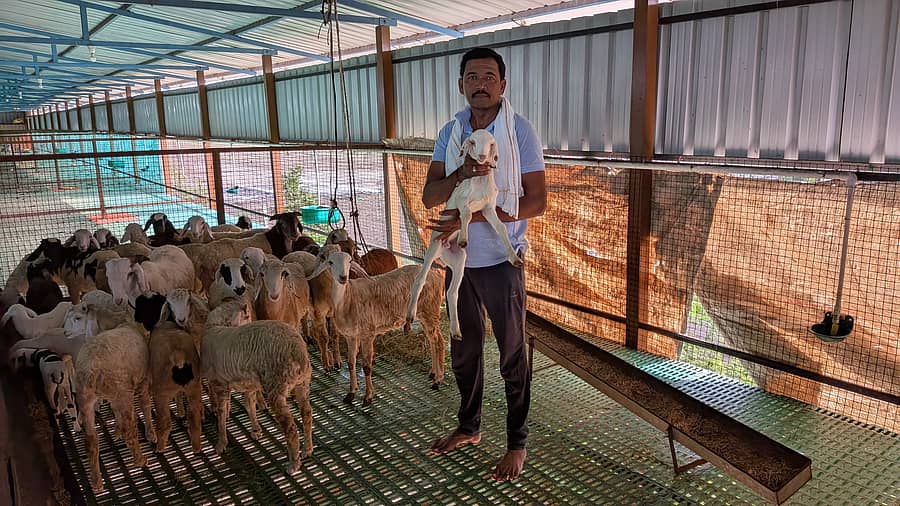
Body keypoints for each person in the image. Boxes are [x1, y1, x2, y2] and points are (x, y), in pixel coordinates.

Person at [423, 46, 547, 482]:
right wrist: (461, 174)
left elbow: (538, 201)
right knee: (463, 350)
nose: (481, 84)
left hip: (500, 261)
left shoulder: (520, 132)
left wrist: (475, 215)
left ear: (502, 85)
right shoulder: (451, 133)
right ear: (461, 85)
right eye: (472, 77)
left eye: (489, 77)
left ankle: (517, 443)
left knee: (511, 353)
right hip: (458, 259)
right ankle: (469, 426)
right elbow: (431, 196)